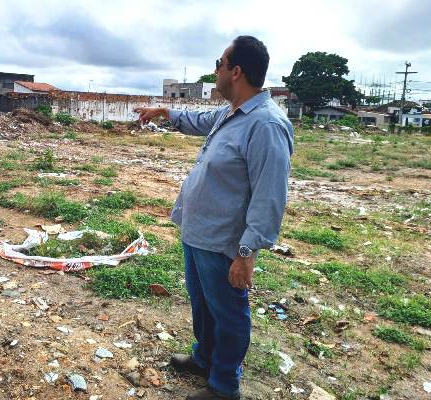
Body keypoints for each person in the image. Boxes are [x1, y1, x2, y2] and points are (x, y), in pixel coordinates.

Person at [134, 36, 294, 400]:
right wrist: (166, 113)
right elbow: (199, 119)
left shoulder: (266, 125)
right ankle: (204, 358)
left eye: (219, 63)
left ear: (235, 71)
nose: (215, 69)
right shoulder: (231, 112)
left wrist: (247, 253)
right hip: (198, 233)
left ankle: (224, 386)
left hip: (225, 241)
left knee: (228, 314)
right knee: (202, 303)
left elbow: (270, 197)